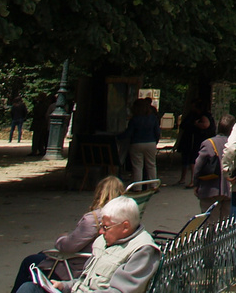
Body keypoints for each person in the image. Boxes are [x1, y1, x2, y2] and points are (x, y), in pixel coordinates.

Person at [14, 195, 160, 293]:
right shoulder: (104, 241)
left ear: (125, 226)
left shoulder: (142, 250)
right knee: (28, 288)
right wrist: (63, 285)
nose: (101, 231)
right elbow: (85, 280)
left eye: (106, 227)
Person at [11, 175, 124, 290]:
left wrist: (61, 238)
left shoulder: (94, 219)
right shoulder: (124, 218)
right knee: (41, 255)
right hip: (93, 263)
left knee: (29, 262)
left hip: (77, 266)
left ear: (99, 194)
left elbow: (68, 247)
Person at [193, 114, 234, 222]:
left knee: (209, 224)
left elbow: (198, 166)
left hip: (210, 189)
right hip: (229, 189)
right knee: (226, 225)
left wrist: (196, 183)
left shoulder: (208, 143)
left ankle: (211, 239)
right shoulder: (235, 144)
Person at [120, 98, 160, 184]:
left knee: (137, 166)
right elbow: (157, 132)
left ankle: (137, 186)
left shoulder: (134, 119)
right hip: (150, 142)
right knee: (151, 165)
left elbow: (129, 133)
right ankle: (153, 185)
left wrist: (119, 136)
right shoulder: (153, 118)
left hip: (136, 143)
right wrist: (155, 141)